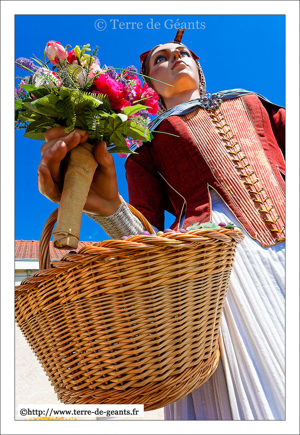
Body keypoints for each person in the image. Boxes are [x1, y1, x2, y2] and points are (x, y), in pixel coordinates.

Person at [37, 30, 285, 420]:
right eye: (161, 58)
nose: (176, 56)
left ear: (200, 68)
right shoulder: (146, 143)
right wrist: (105, 207)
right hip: (214, 262)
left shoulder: (254, 102)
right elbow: (143, 236)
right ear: (151, 84)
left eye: (183, 52)